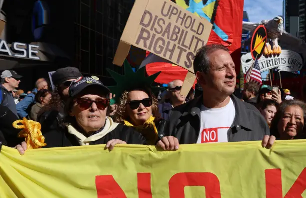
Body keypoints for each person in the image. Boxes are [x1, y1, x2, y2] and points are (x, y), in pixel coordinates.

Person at [158, 44, 269, 148]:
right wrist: (163, 148)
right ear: (201, 78)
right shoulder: (177, 118)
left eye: (233, 67)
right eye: (221, 68)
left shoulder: (253, 117)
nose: (231, 74)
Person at [16, 77, 146, 154]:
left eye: (101, 102)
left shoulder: (130, 137)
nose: (94, 108)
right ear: (71, 109)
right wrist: (22, 155)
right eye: (85, 102)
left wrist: (131, 155)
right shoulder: (48, 141)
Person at [39, 67, 82, 132]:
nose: (73, 86)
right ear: (58, 87)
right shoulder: (50, 115)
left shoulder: (88, 107)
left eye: (76, 83)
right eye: (67, 83)